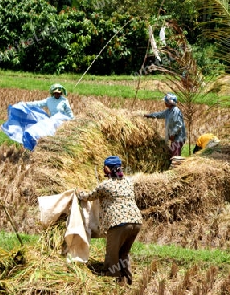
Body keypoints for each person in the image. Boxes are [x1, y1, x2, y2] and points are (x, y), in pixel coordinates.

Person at [77, 156, 142, 285]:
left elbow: (89, 196)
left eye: (104, 167)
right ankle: (127, 278)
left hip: (119, 223)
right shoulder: (129, 182)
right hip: (136, 222)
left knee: (112, 254)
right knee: (123, 253)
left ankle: (112, 279)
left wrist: (79, 193)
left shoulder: (105, 185)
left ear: (107, 168)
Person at [144, 93, 186, 157]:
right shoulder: (168, 111)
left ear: (169, 102)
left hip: (178, 138)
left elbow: (179, 125)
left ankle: (177, 167)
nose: (164, 103)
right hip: (174, 138)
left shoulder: (176, 111)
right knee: (172, 155)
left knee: (175, 157)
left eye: (165, 101)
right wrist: (150, 115)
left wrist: (172, 134)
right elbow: (160, 114)